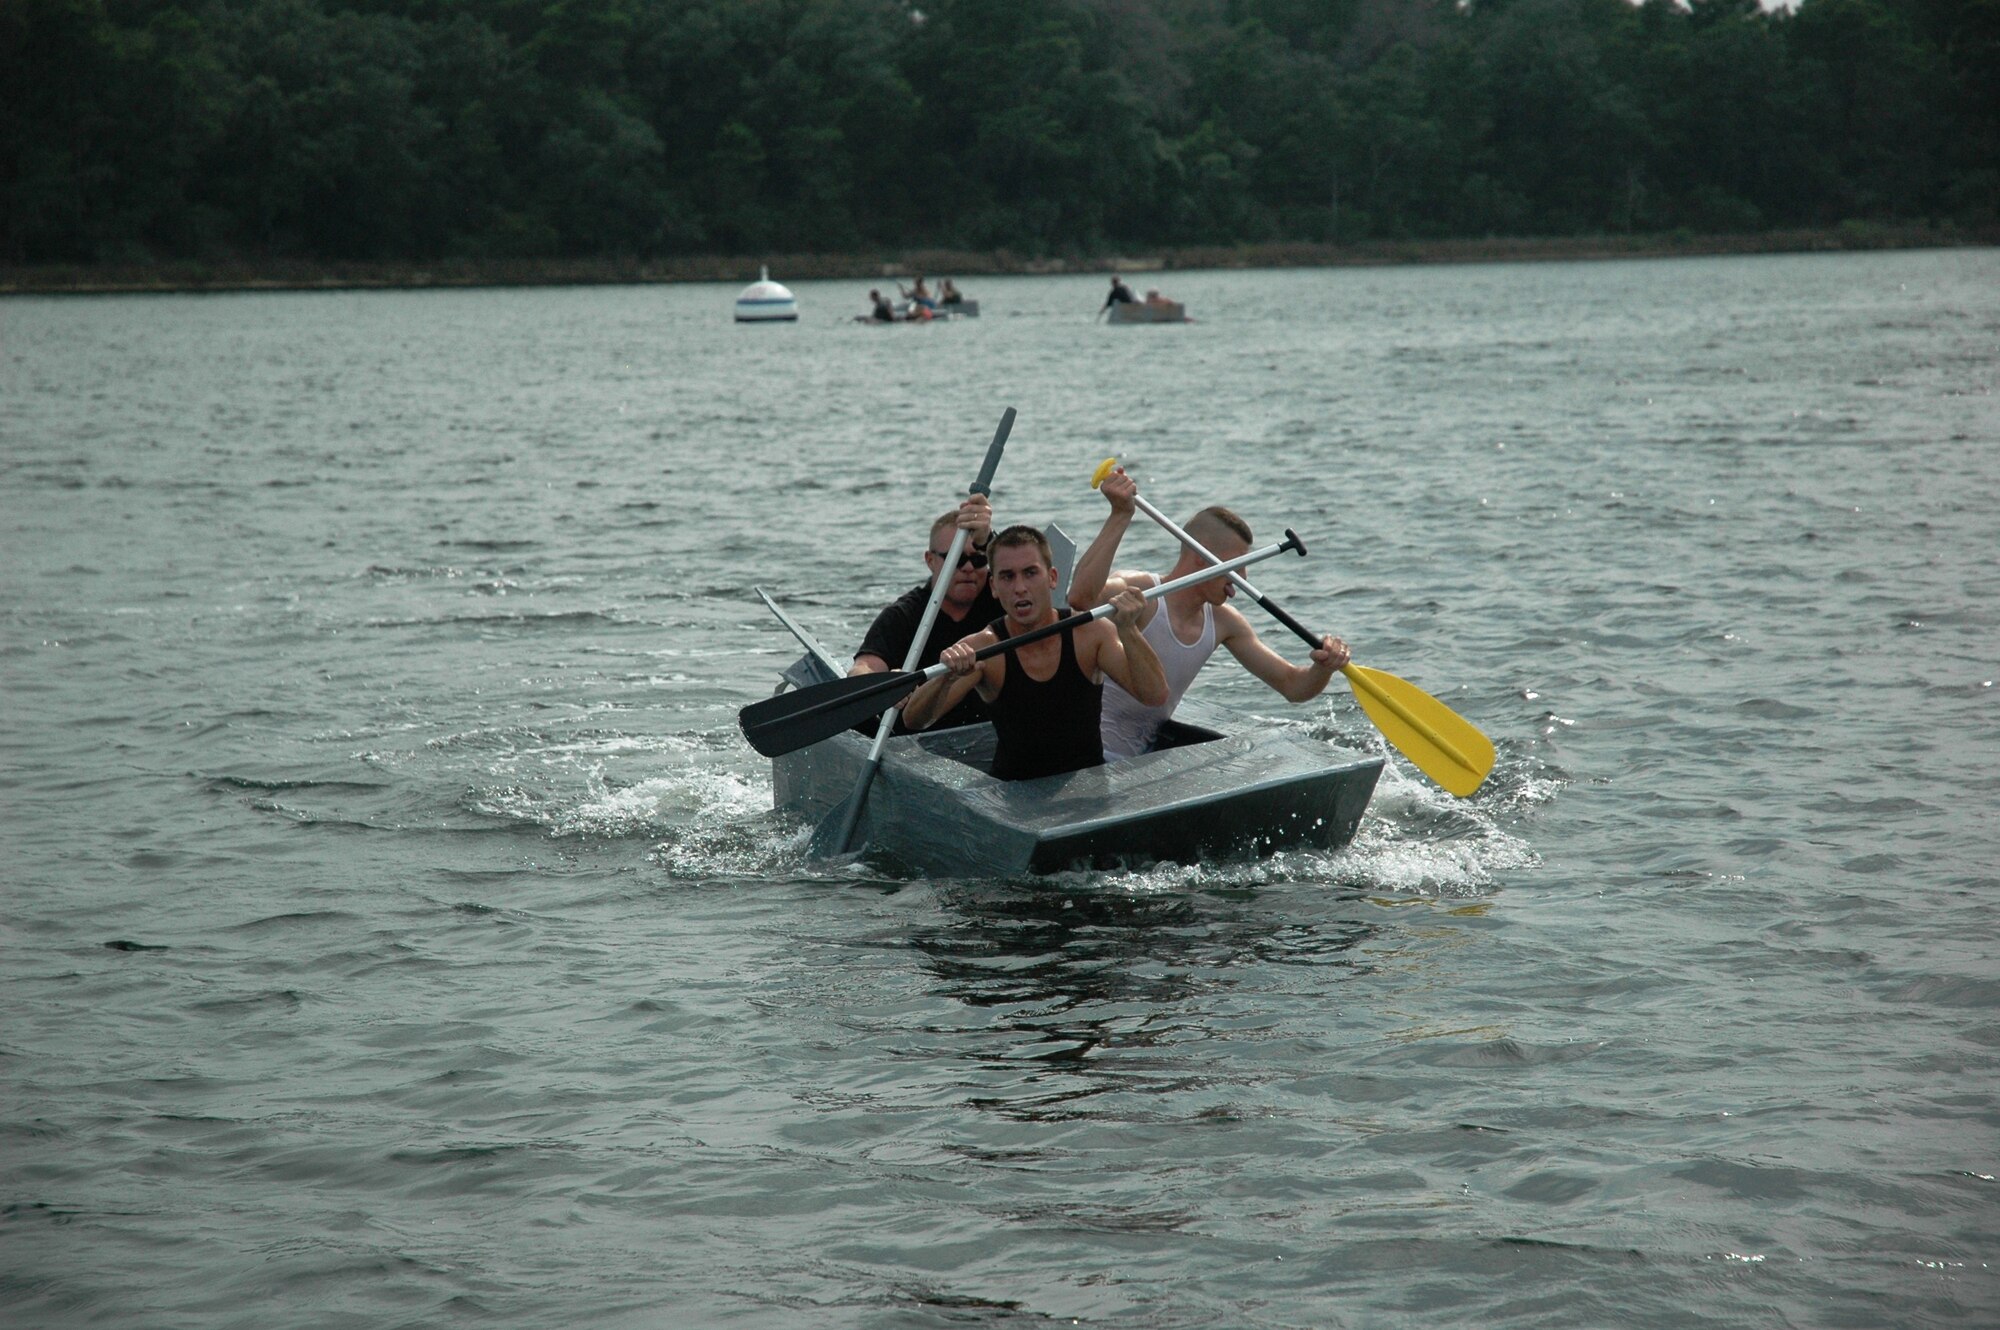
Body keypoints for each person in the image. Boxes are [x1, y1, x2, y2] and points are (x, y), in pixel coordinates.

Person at [1066, 466, 1351, 759]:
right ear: (1201, 558)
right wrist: (1120, 515)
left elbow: (1293, 686)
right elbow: (1080, 598)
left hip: (1134, 765)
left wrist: (1323, 667)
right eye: (1237, 564)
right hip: (1082, 757)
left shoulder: (1225, 623)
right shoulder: (1140, 593)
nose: (1243, 576)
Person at [902, 525, 1168, 781]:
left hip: (1087, 786)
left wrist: (1129, 631)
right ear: (994, 587)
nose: (1020, 588)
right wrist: (945, 678)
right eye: (1008, 577)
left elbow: (1154, 695)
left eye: (1030, 573)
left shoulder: (1092, 633)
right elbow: (914, 720)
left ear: (1052, 578)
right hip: (1015, 796)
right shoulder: (984, 648)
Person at [850, 494, 1000, 733]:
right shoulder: (903, 615)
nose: (969, 568)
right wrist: (883, 684)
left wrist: (988, 539)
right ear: (930, 560)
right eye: (956, 559)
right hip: (917, 739)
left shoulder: (1001, 602)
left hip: (988, 732)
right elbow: (863, 669)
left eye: (978, 558)